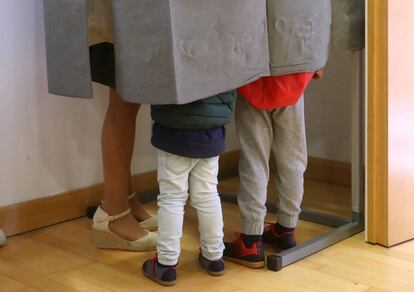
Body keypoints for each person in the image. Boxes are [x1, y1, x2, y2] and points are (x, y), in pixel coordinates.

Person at [223, 70, 324, 268]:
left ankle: (251, 241)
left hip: (252, 80)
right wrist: (316, 65)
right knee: (293, 159)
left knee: (254, 161)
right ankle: (286, 229)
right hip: (292, 79)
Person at [142, 91, 236, 286]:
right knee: (208, 195)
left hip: (174, 127)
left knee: (172, 197)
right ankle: (214, 257)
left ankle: (166, 264)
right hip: (212, 129)